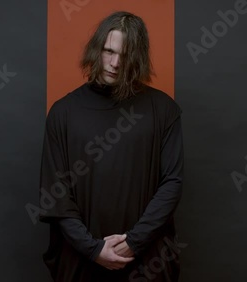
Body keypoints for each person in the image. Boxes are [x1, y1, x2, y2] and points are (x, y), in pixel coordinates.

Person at [39, 11, 184, 282]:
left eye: (125, 56)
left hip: (147, 262)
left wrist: (134, 241)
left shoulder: (164, 110)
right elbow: (54, 193)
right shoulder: (63, 113)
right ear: (97, 49)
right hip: (79, 262)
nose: (115, 63)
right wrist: (93, 248)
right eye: (108, 51)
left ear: (137, 59)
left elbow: (172, 183)